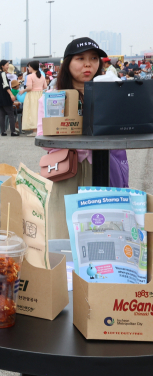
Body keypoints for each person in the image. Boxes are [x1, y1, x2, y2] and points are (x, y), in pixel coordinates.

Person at [37, 37, 128, 239]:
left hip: (103, 168)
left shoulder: (110, 94)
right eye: (80, 58)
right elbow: (43, 138)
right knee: (63, 232)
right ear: (67, 63)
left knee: (104, 232)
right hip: (66, 171)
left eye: (94, 58)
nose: (88, 64)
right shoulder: (52, 96)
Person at [19, 60, 47, 136]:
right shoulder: (42, 76)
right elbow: (45, 87)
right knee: (40, 111)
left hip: (32, 95)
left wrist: (23, 90)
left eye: (29, 67)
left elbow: (29, 87)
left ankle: (35, 130)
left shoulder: (29, 76)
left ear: (32, 67)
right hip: (40, 94)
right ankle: (40, 130)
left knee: (33, 112)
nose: (28, 68)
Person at [0, 60, 18, 136]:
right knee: (10, 113)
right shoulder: (3, 74)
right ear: (2, 66)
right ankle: (13, 131)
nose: (8, 67)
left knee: (2, 114)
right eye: (7, 65)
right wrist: (11, 95)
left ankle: (3, 131)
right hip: (4, 95)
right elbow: (6, 85)